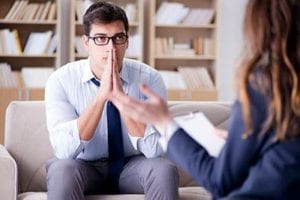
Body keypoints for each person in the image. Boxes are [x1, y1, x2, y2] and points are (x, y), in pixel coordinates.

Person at [109, 0, 300, 199]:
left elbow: (219, 181)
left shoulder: (266, 85)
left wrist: (163, 122)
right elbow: (285, 149)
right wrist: (238, 142)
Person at [45, 2, 179, 200]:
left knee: (163, 169)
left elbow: (154, 151)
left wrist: (121, 99)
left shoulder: (150, 79)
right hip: (83, 167)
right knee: (62, 169)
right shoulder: (61, 80)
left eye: (118, 38)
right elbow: (64, 151)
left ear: (127, 41)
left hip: (132, 166)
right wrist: (101, 98)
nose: (111, 48)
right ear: (86, 42)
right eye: (100, 38)